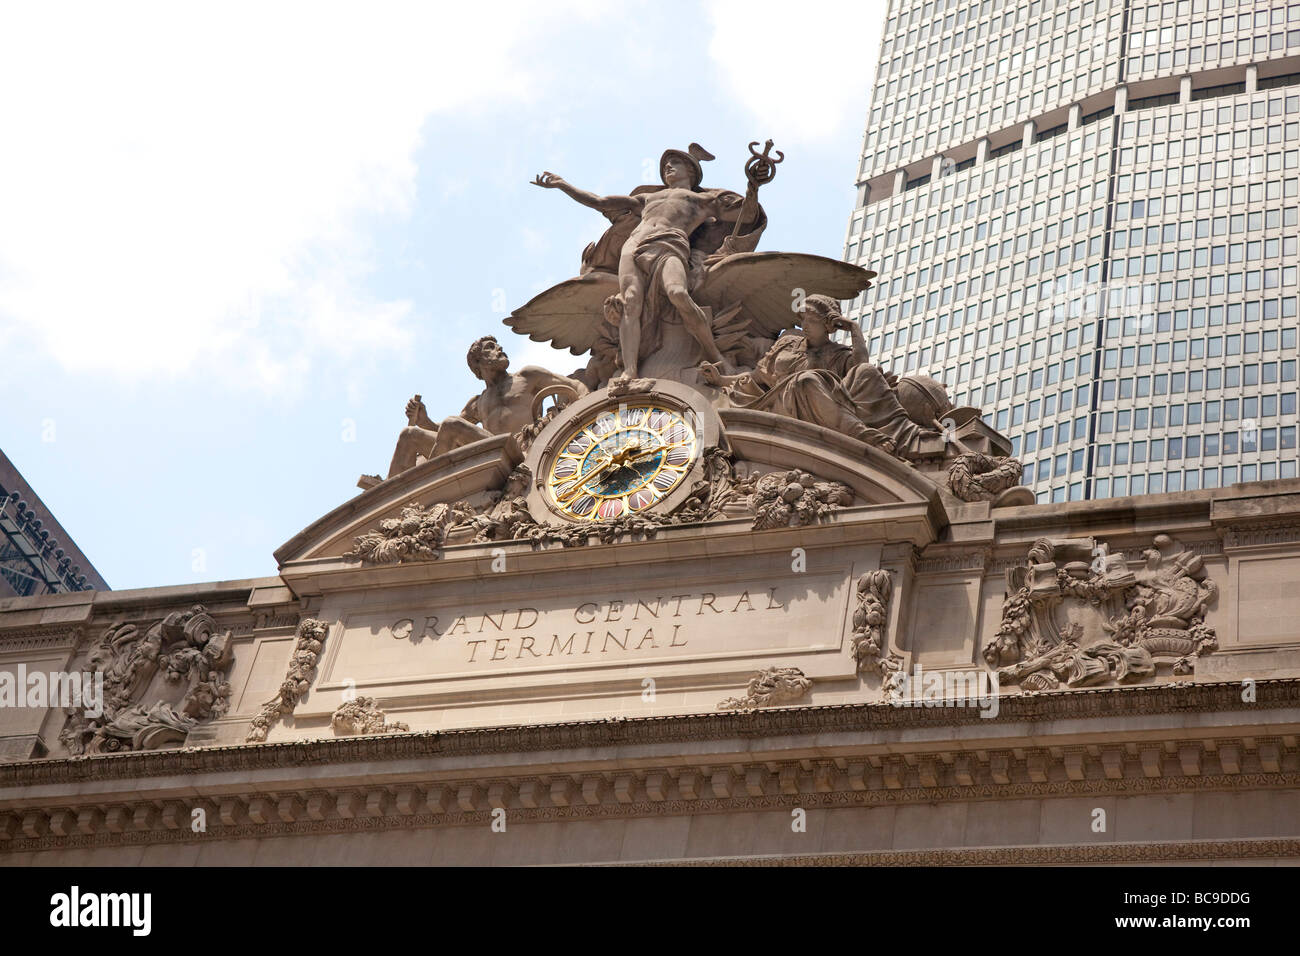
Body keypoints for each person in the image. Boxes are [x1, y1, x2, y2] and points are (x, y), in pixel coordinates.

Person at [533, 144, 754, 377]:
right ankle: (629, 371)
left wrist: (753, 186)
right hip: (634, 246)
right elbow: (600, 201)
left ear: (691, 170)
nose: (668, 167)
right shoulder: (648, 198)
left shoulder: (703, 200)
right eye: (665, 165)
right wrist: (563, 184)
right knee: (630, 302)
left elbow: (746, 214)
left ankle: (714, 354)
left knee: (678, 293)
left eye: (674, 163)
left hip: (670, 245)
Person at [699, 295, 938, 457]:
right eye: (803, 319)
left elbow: (860, 367)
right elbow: (755, 377)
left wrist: (854, 329)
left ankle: (902, 433)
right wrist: (720, 380)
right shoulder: (788, 343)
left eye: (812, 320)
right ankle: (860, 434)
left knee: (865, 372)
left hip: (824, 410)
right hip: (780, 404)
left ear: (828, 326)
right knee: (807, 379)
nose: (805, 324)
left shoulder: (838, 354)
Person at [387, 336, 587, 478]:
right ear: (477, 364)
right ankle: (391, 504)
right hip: (489, 454)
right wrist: (424, 421)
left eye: (498, 345)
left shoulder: (527, 376)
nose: (499, 348)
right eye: (491, 347)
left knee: (451, 424)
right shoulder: (478, 402)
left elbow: (574, 386)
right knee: (409, 434)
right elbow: (446, 434)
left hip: (518, 449)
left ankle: (429, 487)